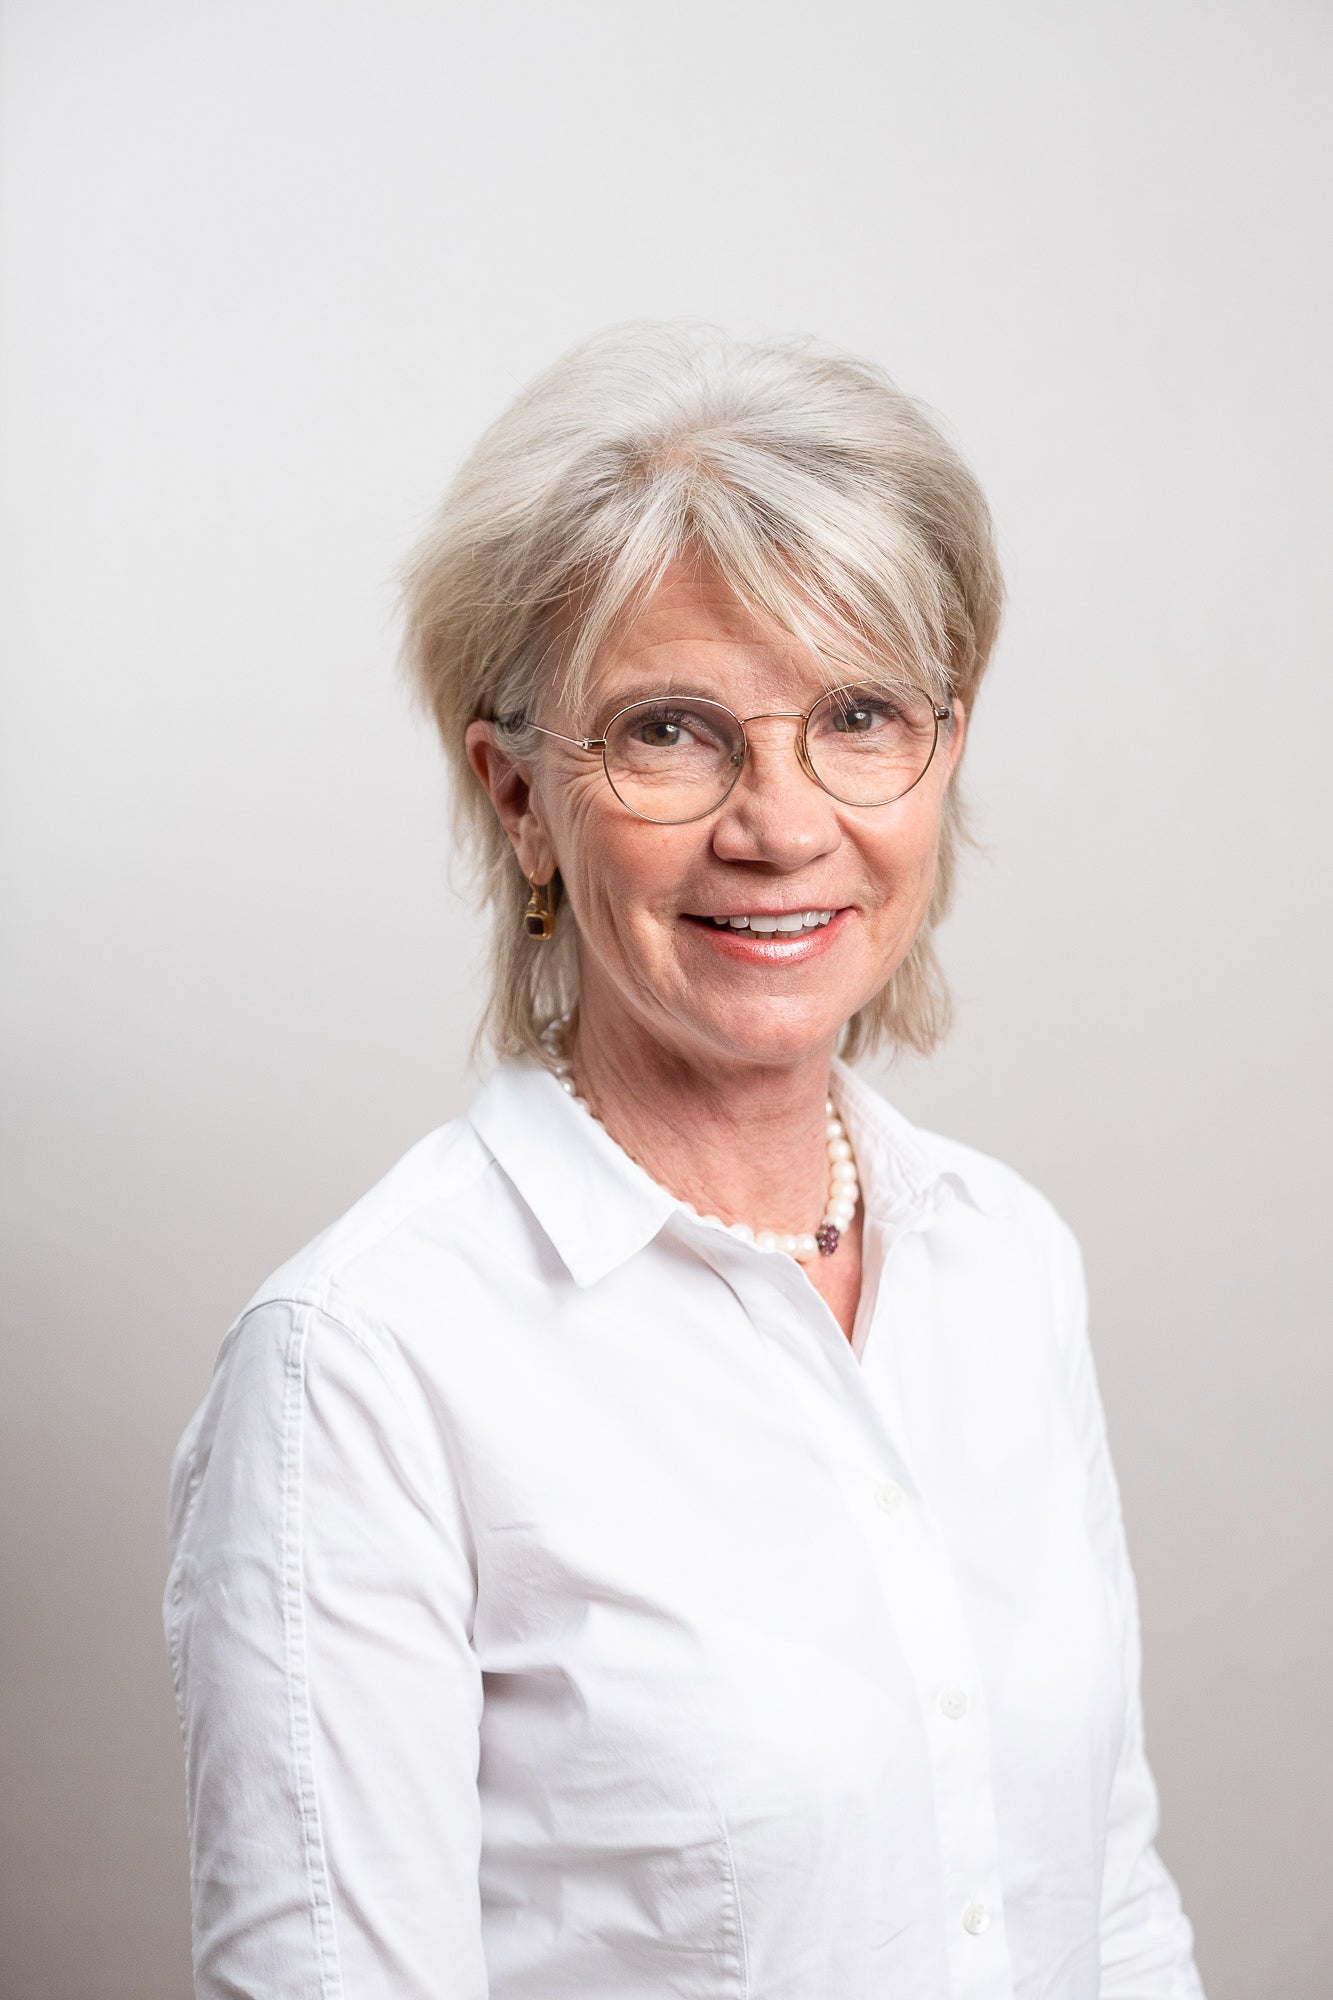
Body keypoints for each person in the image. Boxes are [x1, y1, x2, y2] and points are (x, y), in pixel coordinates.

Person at [163, 323, 1206, 1998]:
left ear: (940, 754)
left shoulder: (1004, 1257)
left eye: (858, 715)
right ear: (518, 798)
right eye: (668, 731)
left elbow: (1107, 1907)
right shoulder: (362, 1365)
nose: (780, 825)